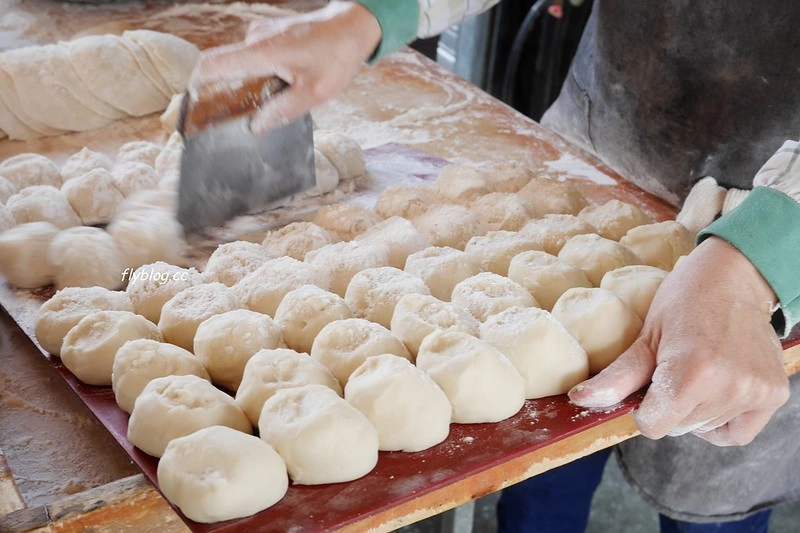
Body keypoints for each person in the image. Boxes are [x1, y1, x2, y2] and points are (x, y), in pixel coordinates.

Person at [190, 1, 800, 531]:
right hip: (598, 151)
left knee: (715, 474)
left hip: (778, 250)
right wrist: (371, 14)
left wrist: (762, 254)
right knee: (537, 446)